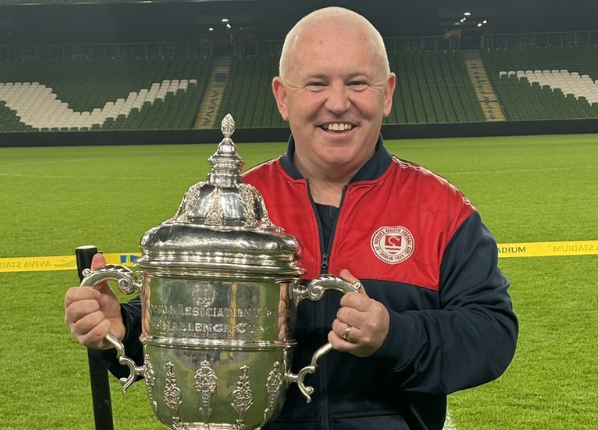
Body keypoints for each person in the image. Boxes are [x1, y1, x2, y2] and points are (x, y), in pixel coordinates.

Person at [64, 7, 517, 430]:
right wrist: (122, 327)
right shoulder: (234, 205)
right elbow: (187, 313)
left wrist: (394, 334)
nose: (338, 104)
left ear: (388, 94)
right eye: (316, 84)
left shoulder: (442, 209)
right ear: (283, 97)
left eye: (358, 83)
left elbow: (492, 334)